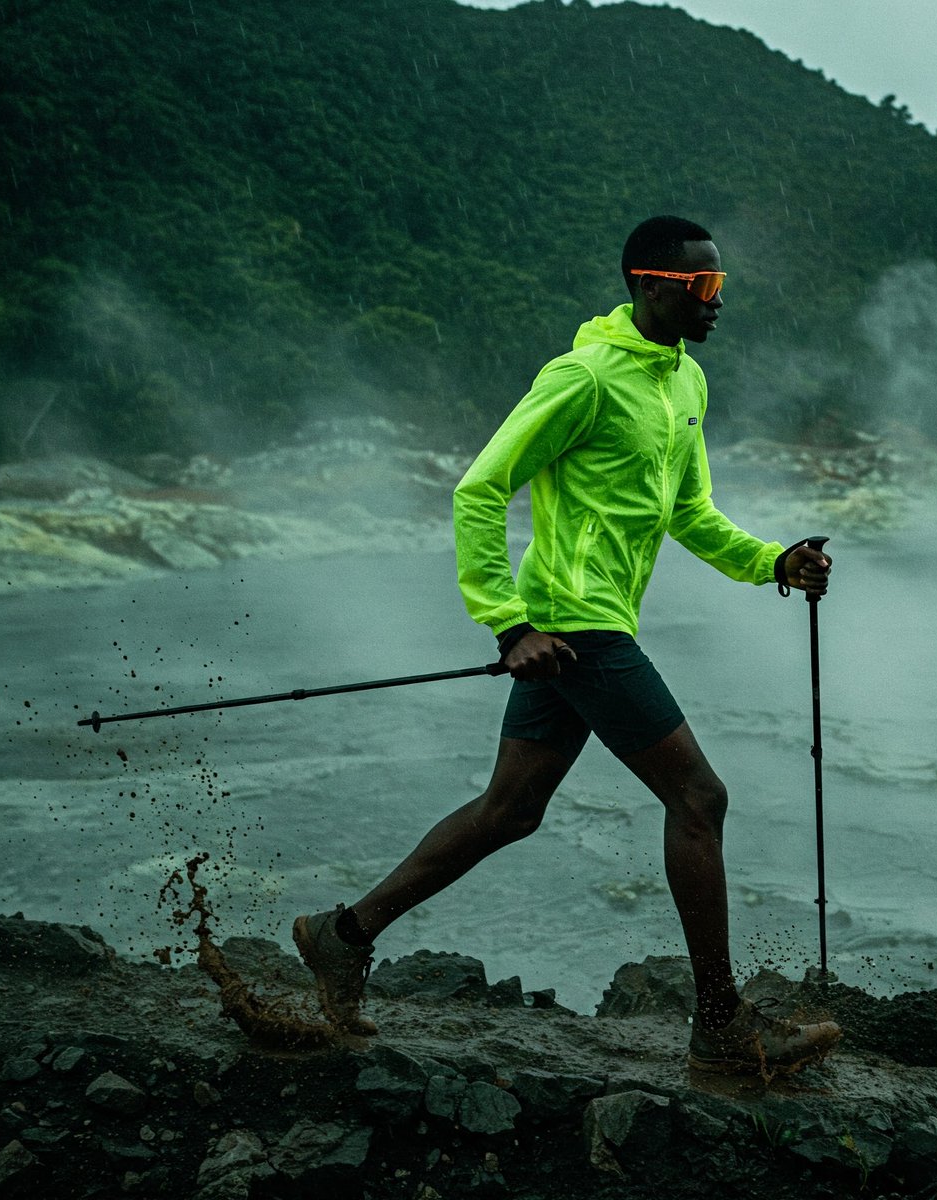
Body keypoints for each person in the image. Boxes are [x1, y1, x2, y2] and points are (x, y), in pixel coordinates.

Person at [294, 215, 840, 1075]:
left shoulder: (684, 384)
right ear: (649, 284)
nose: (717, 302)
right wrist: (509, 624)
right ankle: (722, 1030)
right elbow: (480, 489)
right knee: (699, 798)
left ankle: (341, 935)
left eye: (722, 288)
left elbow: (690, 515)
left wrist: (773, 561)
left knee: (510, 811)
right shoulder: (583, 377)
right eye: (703, 288)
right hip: (575, 627)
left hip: (586, 628)